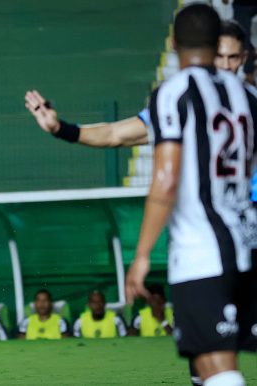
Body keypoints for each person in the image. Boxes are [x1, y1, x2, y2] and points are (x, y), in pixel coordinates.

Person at [124, 5, 257, 386]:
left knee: (216, 365)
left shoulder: (174, 92)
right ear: (216, 44)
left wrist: (143, 255)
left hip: (201, 250)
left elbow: (165, 179)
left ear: (175, 42)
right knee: (209, 364)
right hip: (244, 240)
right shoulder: (246, 95)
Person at [25, 20, 249, 148]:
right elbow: (116, 134)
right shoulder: (182, 105)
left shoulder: (252, 101)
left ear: (244, 59)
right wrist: (61, 129)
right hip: (208, 222)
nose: (226, 65)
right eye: (219, 56)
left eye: (233, 57)